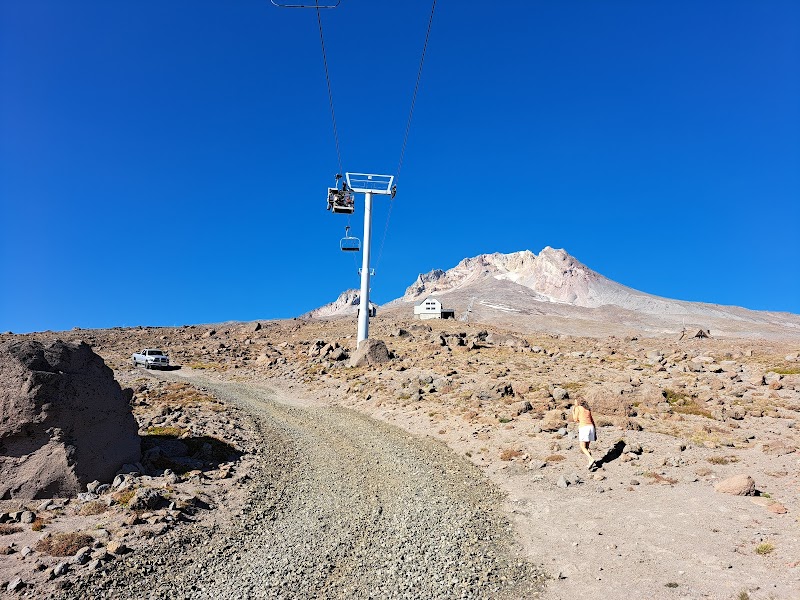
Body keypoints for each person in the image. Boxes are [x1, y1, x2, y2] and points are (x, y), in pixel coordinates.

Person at [571, 399, 597, 470]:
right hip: (591, 427)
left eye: (575, 401)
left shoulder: (578, 408)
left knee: (582, 446)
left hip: (584, 427)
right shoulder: (587, 409)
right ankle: (589, 463)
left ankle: (591, 459)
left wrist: (573, 411)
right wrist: (595, 432)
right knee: (587, 446)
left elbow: (575, 419)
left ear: (578, 402)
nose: (574, 402)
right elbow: (592, 420)